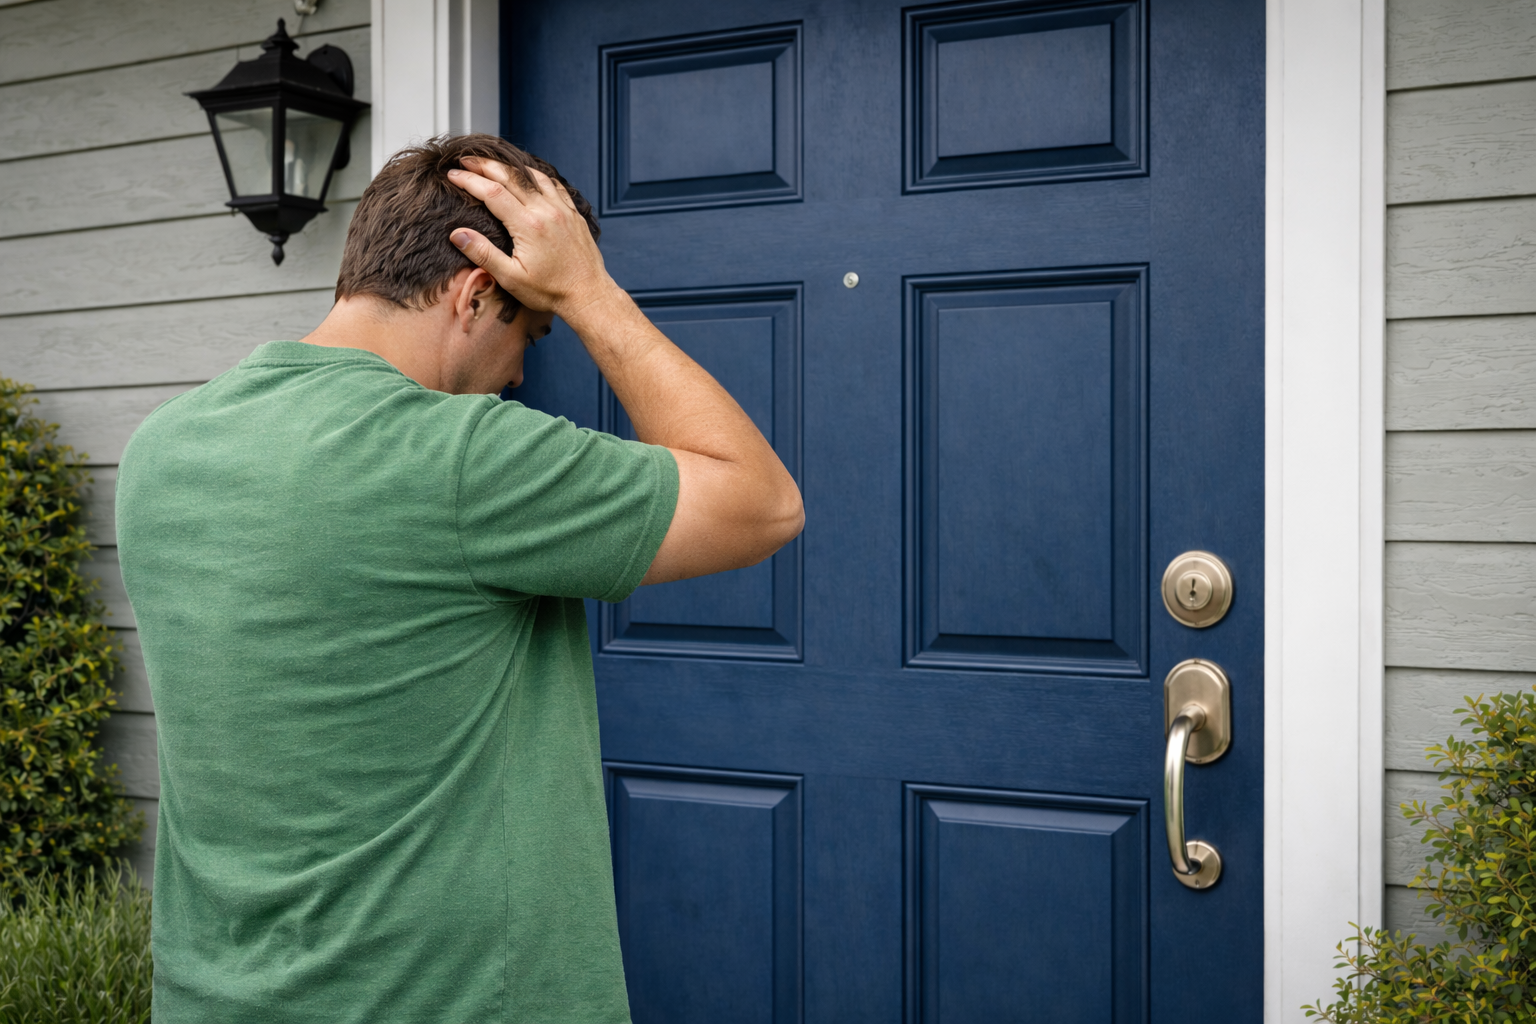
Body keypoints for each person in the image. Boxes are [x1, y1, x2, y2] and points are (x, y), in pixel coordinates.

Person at [115, 133, 803, 1023]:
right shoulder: (460, 456)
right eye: (532, 334)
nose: (516, 376)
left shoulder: (162, 449)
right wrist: (589, 293)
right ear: (476, 294)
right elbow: (764, 505)